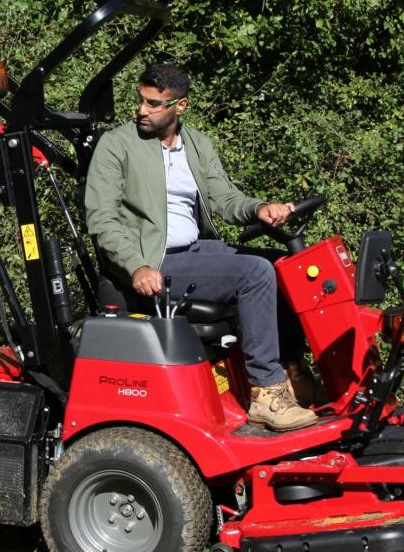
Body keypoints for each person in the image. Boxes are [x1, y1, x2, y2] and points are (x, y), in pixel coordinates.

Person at [82, 62, 320, 433]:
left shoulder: (196, 144)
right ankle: (265, 393)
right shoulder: (117, 145)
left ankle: (292, 371)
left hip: (196, 252)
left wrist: (260, 208)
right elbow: (101, 218)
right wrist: (136, 265)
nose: (142, 110)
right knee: (255, 273)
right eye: (141, 101)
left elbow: (225, 198)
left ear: (181, 106)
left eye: (154, 104)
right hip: (157, 260)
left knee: (287, 266)